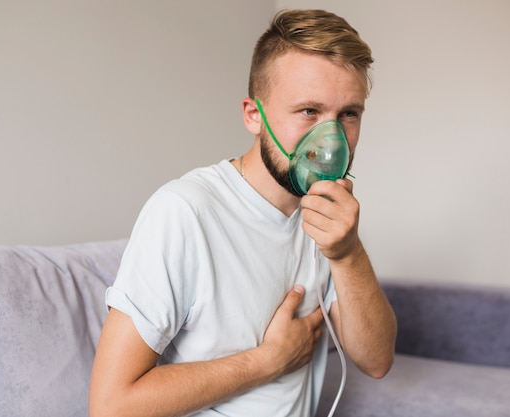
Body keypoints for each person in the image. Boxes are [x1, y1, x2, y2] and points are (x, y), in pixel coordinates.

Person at [89, 9, 397, 417]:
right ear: (254, 115)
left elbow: (376, 361)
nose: (331, 141)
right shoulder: (185, 212)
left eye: (348, 114)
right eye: (309, 111)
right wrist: (268, 361)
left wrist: (347, 253)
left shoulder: (328, 221)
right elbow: (111, 406)